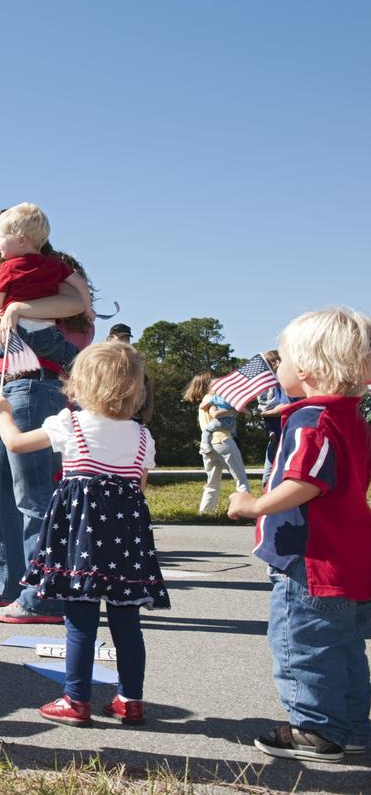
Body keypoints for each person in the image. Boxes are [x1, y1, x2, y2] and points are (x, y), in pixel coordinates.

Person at [0, 342, 166, 726]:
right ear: (135, 390)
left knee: (81, 621)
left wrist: (3, 414)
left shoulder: (70, 423)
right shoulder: (141, 437)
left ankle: (76, 700)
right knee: (127, 623)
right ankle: (129, 699)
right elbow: (138, 484)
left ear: (80, 386)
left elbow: (17, 444)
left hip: (82, 540)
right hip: (126, 539)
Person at [228, 307, 371, 763]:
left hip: (308, 561)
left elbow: (305, 482)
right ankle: (350, 726)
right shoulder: (350, 417)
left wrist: (254, 505)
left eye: (283, 360)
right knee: (344, 647)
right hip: (347, 556)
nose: (278, 367)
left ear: (306, 370)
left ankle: (314, 729)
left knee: (302, 646)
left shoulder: (313, 421)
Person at [0, 208, 92, 624]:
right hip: (0, 391)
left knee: (32, 495)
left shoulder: (49, 275)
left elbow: (80, 307)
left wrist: (22, 306)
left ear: (20, 236)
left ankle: (45, 594)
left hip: (35, 385)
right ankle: (6, 583)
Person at [0, 204, 93, 415]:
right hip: (1, 387)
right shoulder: (34, 274)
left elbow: (73, 305)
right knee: (73, 358)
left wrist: (15, 308)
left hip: (29, 383)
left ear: (20, 239)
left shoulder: (32, 276)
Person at [182, 371, 251, 514]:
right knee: (241, 479)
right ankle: (246, 511)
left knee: (212, 483)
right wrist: (232, 410)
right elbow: (215, 414)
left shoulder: (203, 402)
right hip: (223, 441)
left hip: (208, 445)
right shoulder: (212, 399)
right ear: (209, 386)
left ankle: (206, 513)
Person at [256, 350, 291, 483]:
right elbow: (284, 406)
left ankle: (268, 487)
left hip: (275, 420)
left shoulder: (272, 382)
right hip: (278, 422)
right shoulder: (277, 381)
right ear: (276, 362)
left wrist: (265, 414)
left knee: (274, 456)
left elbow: (282, 406)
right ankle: (270, 487)